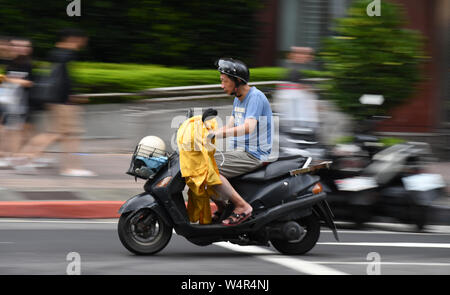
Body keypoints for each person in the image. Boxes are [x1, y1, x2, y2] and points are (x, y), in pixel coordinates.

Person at [15, 28, 96, 177]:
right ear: (73, 39)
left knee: (65, 134)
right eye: (82, 39)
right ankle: (25, 158)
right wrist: (71, 96)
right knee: (62, 133)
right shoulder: (65, 55)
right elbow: (64, 80)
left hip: (58, 100)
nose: (84, 42)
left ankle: (68, 167)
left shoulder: (56, 54)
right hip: (62, 101)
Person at [210, 57, 273, 226]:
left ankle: (242, 207)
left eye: (224, 81)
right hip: (240, 152)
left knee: (208, 167)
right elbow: (231, 125)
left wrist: (217, 135)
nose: (222, 85)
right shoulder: (238, 98)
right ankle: (223, 207)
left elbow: (248, 127)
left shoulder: (255, 98)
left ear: (237, 81)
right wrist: (208, 132)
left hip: (253, 154)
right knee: (199, 163)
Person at [0, 37, 34, 167]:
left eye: (24, 46)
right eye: (16, 46)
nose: (20, 48)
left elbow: (29, 83)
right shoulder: (13, 62)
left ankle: (13, 156)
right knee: (10, 130)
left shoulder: (27, 63)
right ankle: (9, 156)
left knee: (15, 130)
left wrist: (6, 79)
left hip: (18, 102)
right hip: (9, 100)